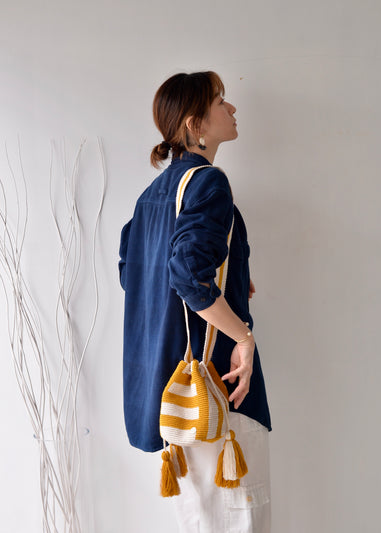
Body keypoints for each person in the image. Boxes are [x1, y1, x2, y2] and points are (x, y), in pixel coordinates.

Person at [118, 71, 272, 532]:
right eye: (221, 101)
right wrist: (242, 338)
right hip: (216, 390)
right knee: (241, 518)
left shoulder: (149, 198)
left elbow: (136, 277)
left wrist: (232, 275)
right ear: (195, 125)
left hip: (172, 398)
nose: (232, 108)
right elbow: (187, 276)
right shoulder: (208, 184)